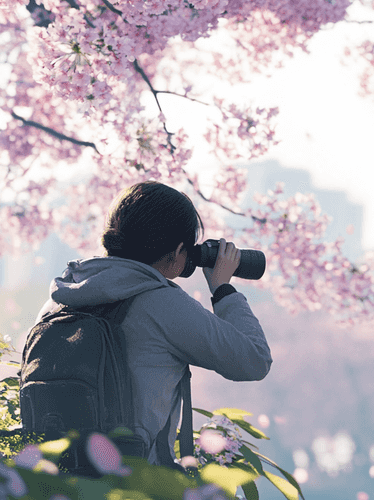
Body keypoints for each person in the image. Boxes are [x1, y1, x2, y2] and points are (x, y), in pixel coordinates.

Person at [33, 180, 273, 467]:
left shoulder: (61, 298)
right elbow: (254, 360)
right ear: (179, 249)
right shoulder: (162, 303)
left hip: (52, 479)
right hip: (134, 482)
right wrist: (222, 288)